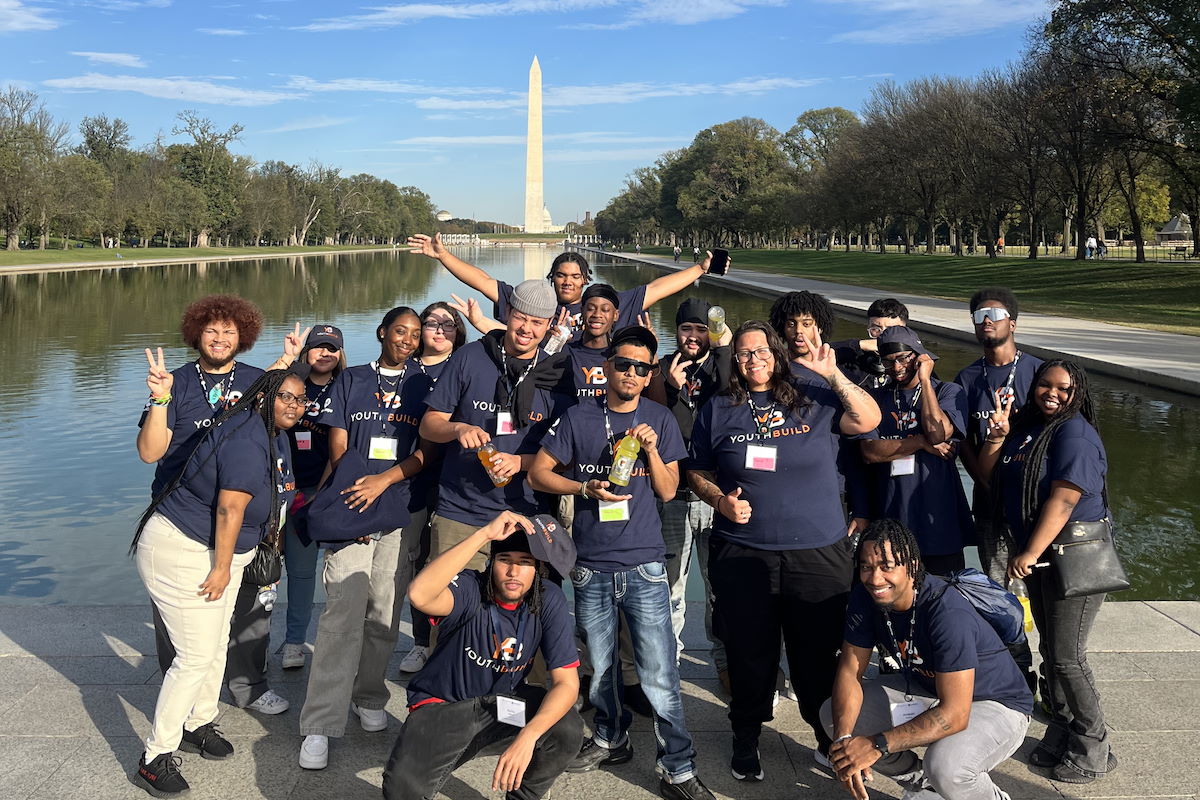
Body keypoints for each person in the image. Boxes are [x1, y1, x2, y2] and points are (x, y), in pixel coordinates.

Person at [686, 321, 880, 781]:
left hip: (817, 552)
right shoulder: (719, 407)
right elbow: (695, 469)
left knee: (817, 655)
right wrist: (719, 500)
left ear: (776, 353)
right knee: (748, 650)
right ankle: (746, 734)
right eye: (744, 353)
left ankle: (826, 737)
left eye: (761, 351)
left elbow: (868, 420)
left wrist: (835, 375)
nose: (753, 360)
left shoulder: (815, 393)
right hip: (744, 553)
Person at [529, 326, 715, 800]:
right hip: (590, 563)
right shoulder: (577, 416)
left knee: (658, 671)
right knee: (603, 665)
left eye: (642, 367)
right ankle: (611, 737)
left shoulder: (659, 417)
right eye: (624, 364)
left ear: (650, 372)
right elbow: (539, 473)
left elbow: (670, 490)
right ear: (607, 367)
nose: (632, 373)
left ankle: (677, 766)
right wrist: (582, 488)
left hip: (644, 563)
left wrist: (652, 449)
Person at [129, 367, 304, 798]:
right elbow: (229, 509)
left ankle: (198, 721)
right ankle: (155, 756)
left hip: (219, 553)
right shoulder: (247, 438)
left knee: (214, 642)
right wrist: (223, 567)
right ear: (263, 397)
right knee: (194, 656)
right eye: (285, 396)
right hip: (186, 550)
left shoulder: (267, 430)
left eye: (300, 399)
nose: (294, 406)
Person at [138, 294, 303, 714]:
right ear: (197, 334)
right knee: (181, 624)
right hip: (184, 516)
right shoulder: (176, 382)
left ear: (242, 336)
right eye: (211, 330)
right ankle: (182, 694)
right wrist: (160, 399)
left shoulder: (253, 379)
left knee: (249, 606)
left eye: (229, 331)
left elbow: (281, 401)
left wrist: (287, 361)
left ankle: (249, 685)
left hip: (242, 515)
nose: (219, 338)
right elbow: (150, 452)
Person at [298, 306, 432, 771]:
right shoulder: (352, 378)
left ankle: (369, 695)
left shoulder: (426, 383)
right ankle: (319, 723)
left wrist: (385, 481)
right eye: (400, 331)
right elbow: (337, 443)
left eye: (415, 334)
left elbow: (426, 452)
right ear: (382, 333)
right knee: (342, 611)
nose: (408, 340)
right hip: (353, 505)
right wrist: (360, 486)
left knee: (384, 609)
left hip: (400, 506)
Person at [977, 359, 1117, 784]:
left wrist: (1028, 551)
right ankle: (1061, 733)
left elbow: (1065, 498)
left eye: (1063, 388)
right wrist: (997, 439)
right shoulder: (1029, 428)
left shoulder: (1074, 433)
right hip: (1042, 559)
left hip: (1073, 557)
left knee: (1069, 658)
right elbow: (989, 480)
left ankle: (1095, 748)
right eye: (1044, 385)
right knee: (1053, 655)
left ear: (1078, 393)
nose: (1052, 393)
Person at [822, 520, 1032, 800]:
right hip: (929, 687)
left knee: (946, 766)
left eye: (887, 566)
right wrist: (845, 743)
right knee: (833, 716)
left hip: (996, 703)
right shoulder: (866, 596)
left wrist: (876, 745)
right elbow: (850, 672)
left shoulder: (946, 612)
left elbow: (955, 715)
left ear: (912, 566)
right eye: (866, 566)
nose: (875, 578)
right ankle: (925, 786)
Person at [383, 512, 583, 800]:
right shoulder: (470, 587)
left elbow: (567, 683)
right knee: (400, 792)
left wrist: (528, 738)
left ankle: (524, 795)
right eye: (505, 560)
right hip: (445, 709)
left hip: (501, 707)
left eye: (525, 563)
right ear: (491, 563)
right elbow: (419, 595)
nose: (514, 572)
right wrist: (483, 535)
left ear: (538, 568)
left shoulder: (548, 597)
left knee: (567, 728)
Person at [419, 279, 572, 570]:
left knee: (516, 612)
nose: (527, 329)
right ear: (508, 313)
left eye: (537, 322)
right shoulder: (470, 356)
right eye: (521, 318)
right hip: (461, 512)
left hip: (525, 516)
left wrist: (521, 462)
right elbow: (429, 425)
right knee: (450, 607)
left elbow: (567, 455)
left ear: (550, 324)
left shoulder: (558, 373)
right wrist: (457, 428)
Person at [406, 233, 711, 337]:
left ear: (585, 280)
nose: (568, 281)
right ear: (552, 278)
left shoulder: (603, 307)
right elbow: (484, 281)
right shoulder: (531, 304)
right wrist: (443, 255)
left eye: (575, 276)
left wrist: (698, 268)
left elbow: (656, 289)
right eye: (562, 275)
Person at [652, 298, 733, 680]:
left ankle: (724, 661)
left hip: (717, 495)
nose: (694, 336)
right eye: (687, 329)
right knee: (671, 587)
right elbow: (668, 431)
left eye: (702, 329)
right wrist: (671, 389)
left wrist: (726, 349)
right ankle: (669, 660)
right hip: (674, 496)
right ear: (678, 331)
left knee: (720, 586)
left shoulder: (725, 367)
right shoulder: (662, 371)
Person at [860, 327, 973, 576]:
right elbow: (870, 451)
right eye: (888, 361)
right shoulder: (874, 399)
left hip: (938, 520)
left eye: (904, 358)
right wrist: (920, 443)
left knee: (943, 597)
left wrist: (924, 381)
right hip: (891, 515)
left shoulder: (948, 392)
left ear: (920, 356)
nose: (897, 367)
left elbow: (938, 433)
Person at [953, 288, 1043, 585]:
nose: (986, 321)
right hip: (989, 498)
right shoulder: (967, 379)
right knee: (998, 579)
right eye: (979, 316)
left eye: (994, 315)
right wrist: (982, 480)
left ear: (1012, 323)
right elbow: (962, 438)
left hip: (1032, 498)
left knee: (1038, 578)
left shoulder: (1039, 373)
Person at [397, 301, 467, 675]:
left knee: (448, 565)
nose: (439, 330)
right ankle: (422, 641)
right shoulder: (404, 369)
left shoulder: (468, 365)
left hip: (456, 481)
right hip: (411, 481)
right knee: (415, 562)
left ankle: (453, 639)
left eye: (448, 324)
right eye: (431, 323)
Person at [281, 324, 347, 670]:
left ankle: (338, 642)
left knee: (338, 573)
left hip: (330, 491)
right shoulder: (289, 385)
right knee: (300, 571)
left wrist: (324, 493)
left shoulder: (347, 387)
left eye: (332, 349)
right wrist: (289, 363)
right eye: (318, 347)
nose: (325, 354)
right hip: (290, 492)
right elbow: (253, 403)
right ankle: (294, 642)